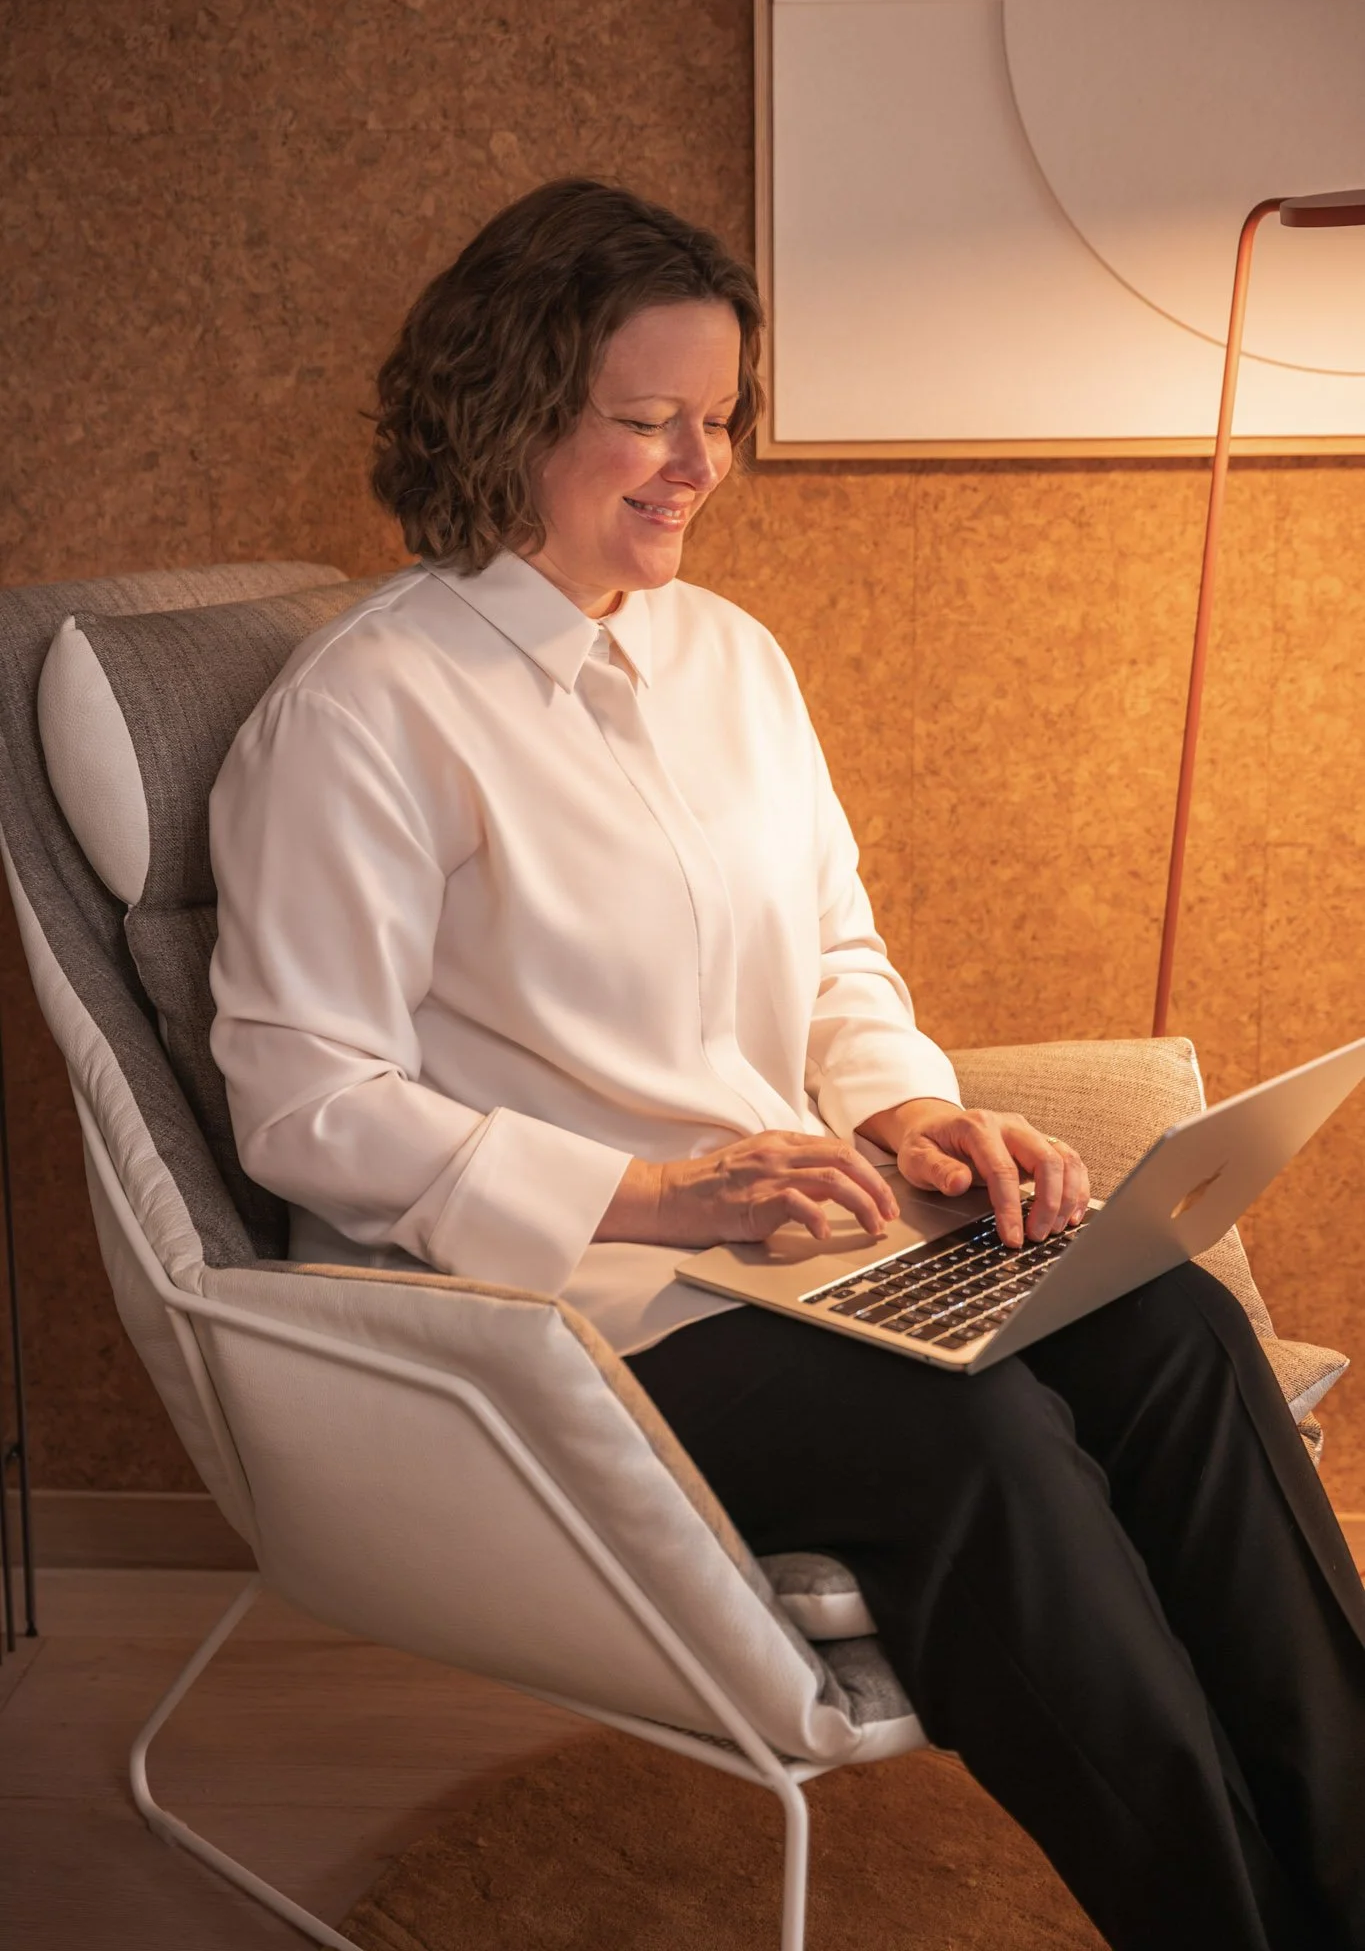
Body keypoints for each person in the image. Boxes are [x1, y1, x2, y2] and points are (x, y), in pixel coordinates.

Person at [208, 178, 1365, 1951]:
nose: (701, 464)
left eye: (721, 418)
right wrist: (662, 1192)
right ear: (512, 411)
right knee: (974, 1435)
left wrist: (913, 1107)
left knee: (1176, 1329)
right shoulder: (366, 712)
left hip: (814, 1251)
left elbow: (834, 960)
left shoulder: (730, 661)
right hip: (581, 1313)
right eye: (649, 419)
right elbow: (305, 1102)